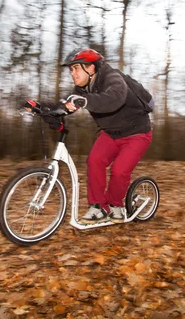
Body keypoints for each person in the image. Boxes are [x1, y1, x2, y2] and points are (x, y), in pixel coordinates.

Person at [60, 48, 153, 224]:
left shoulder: (112, 78)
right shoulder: (82, 88)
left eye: (76, 68)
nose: (73, 74)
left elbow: (115, 98)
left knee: (119, 170)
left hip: (137, 133)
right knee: (94, 160)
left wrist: (87, 101)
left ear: (91, 68)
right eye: (71, 70)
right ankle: (98, 208)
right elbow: (64, 103)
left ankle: (115, 205)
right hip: (111, 133)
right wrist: (39, 106)